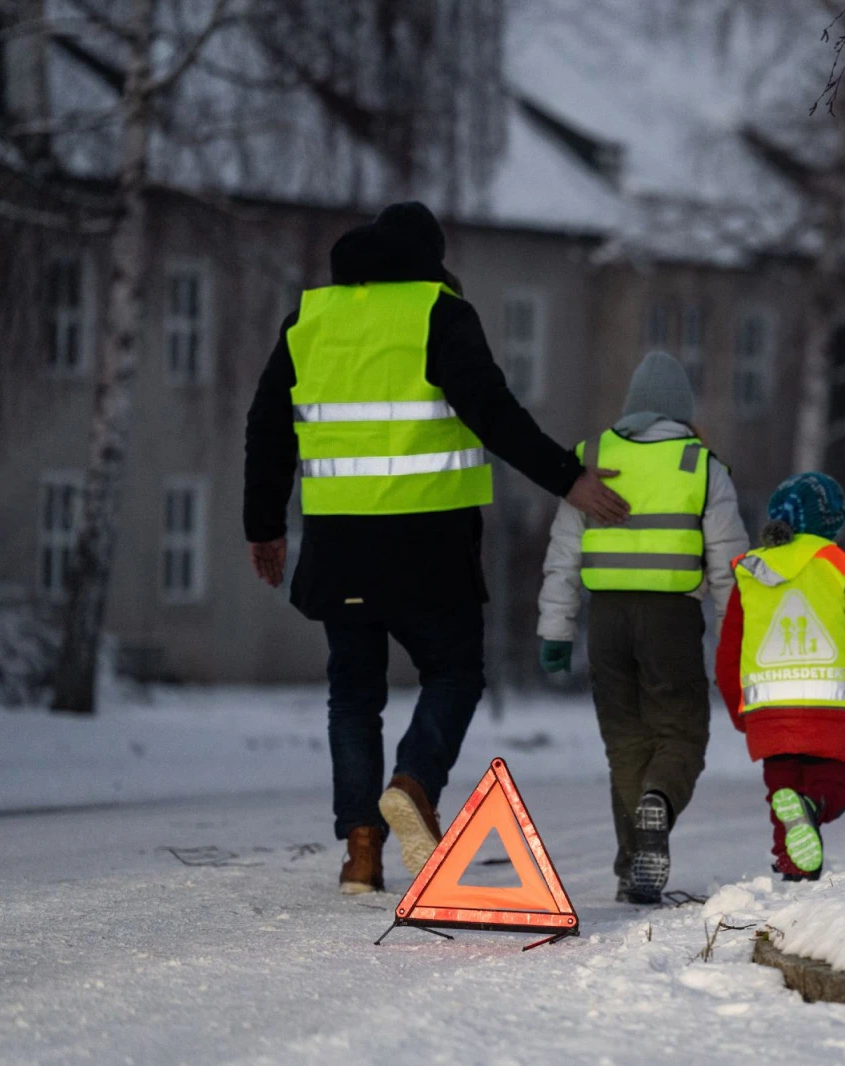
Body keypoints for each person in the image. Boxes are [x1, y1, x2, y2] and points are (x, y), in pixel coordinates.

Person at [243, 202, 628, 895]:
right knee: (453, 674)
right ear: (430, 258)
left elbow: (267, 427)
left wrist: (262, 525)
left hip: (339, 545)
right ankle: (414, 784)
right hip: (430, 544)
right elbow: (492, 410)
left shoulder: (310, 320)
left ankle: (361, 852)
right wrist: (566, 478)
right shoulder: (439, 312)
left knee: (353, 696)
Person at [536, 352, 747, 903]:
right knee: (680, 734)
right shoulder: (701, 466)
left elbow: (563, 553)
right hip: (670, 620)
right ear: (683, 409)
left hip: (606, 620)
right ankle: (660, 801)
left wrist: (555, 629)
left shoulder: (592, 457)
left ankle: (634, 863)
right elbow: (729, 569)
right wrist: (733, 642)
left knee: (626, 742)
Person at [715, 473, 845, 880]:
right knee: (832, 790)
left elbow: (728, 653)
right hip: (826, 713)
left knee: (782, 794)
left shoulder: (750, 573)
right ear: (830, 523)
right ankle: (813, 809)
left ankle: (794, 866)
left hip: (769, 712)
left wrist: (739, 711)